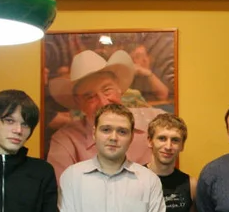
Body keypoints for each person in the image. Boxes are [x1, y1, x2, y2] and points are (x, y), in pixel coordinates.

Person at [47, 49, 165, 183]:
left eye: (107, 90)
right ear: (79, 103)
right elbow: (62, 190)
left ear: (119, 89)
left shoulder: (156, 120)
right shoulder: (65, 141)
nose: (103, 102)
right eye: (90, 97)